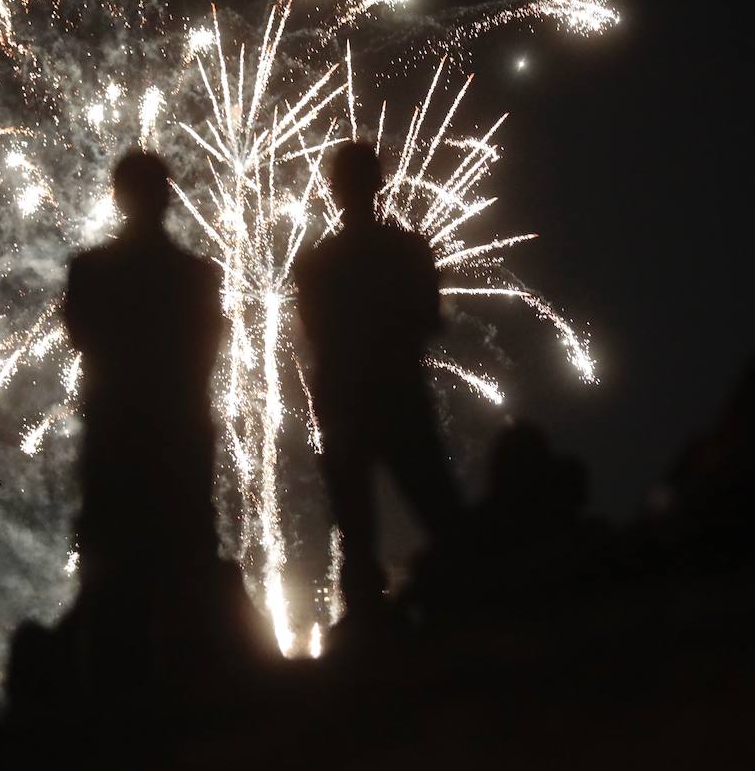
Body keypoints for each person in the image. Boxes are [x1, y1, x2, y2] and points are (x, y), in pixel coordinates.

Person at [63, 150, 271, 694]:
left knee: (113, 578)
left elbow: (82, 342)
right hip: (180, 444)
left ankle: (115, 713)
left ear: (118, 197)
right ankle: (194, 703)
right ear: (167, 198)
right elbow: (206, 353)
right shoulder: (198, 277)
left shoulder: (88, 273)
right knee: (184, 570)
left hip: (114, 444)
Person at [294, 141, 464, 628]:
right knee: (438, 508)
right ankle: (467, 604)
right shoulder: (408, 249)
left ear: (334, 189)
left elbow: (315, 332)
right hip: (398, 393)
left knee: (356, 529)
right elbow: (430, 320)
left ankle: (367, 630)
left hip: (344, 400)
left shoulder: (318, 262)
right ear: (379, 182)